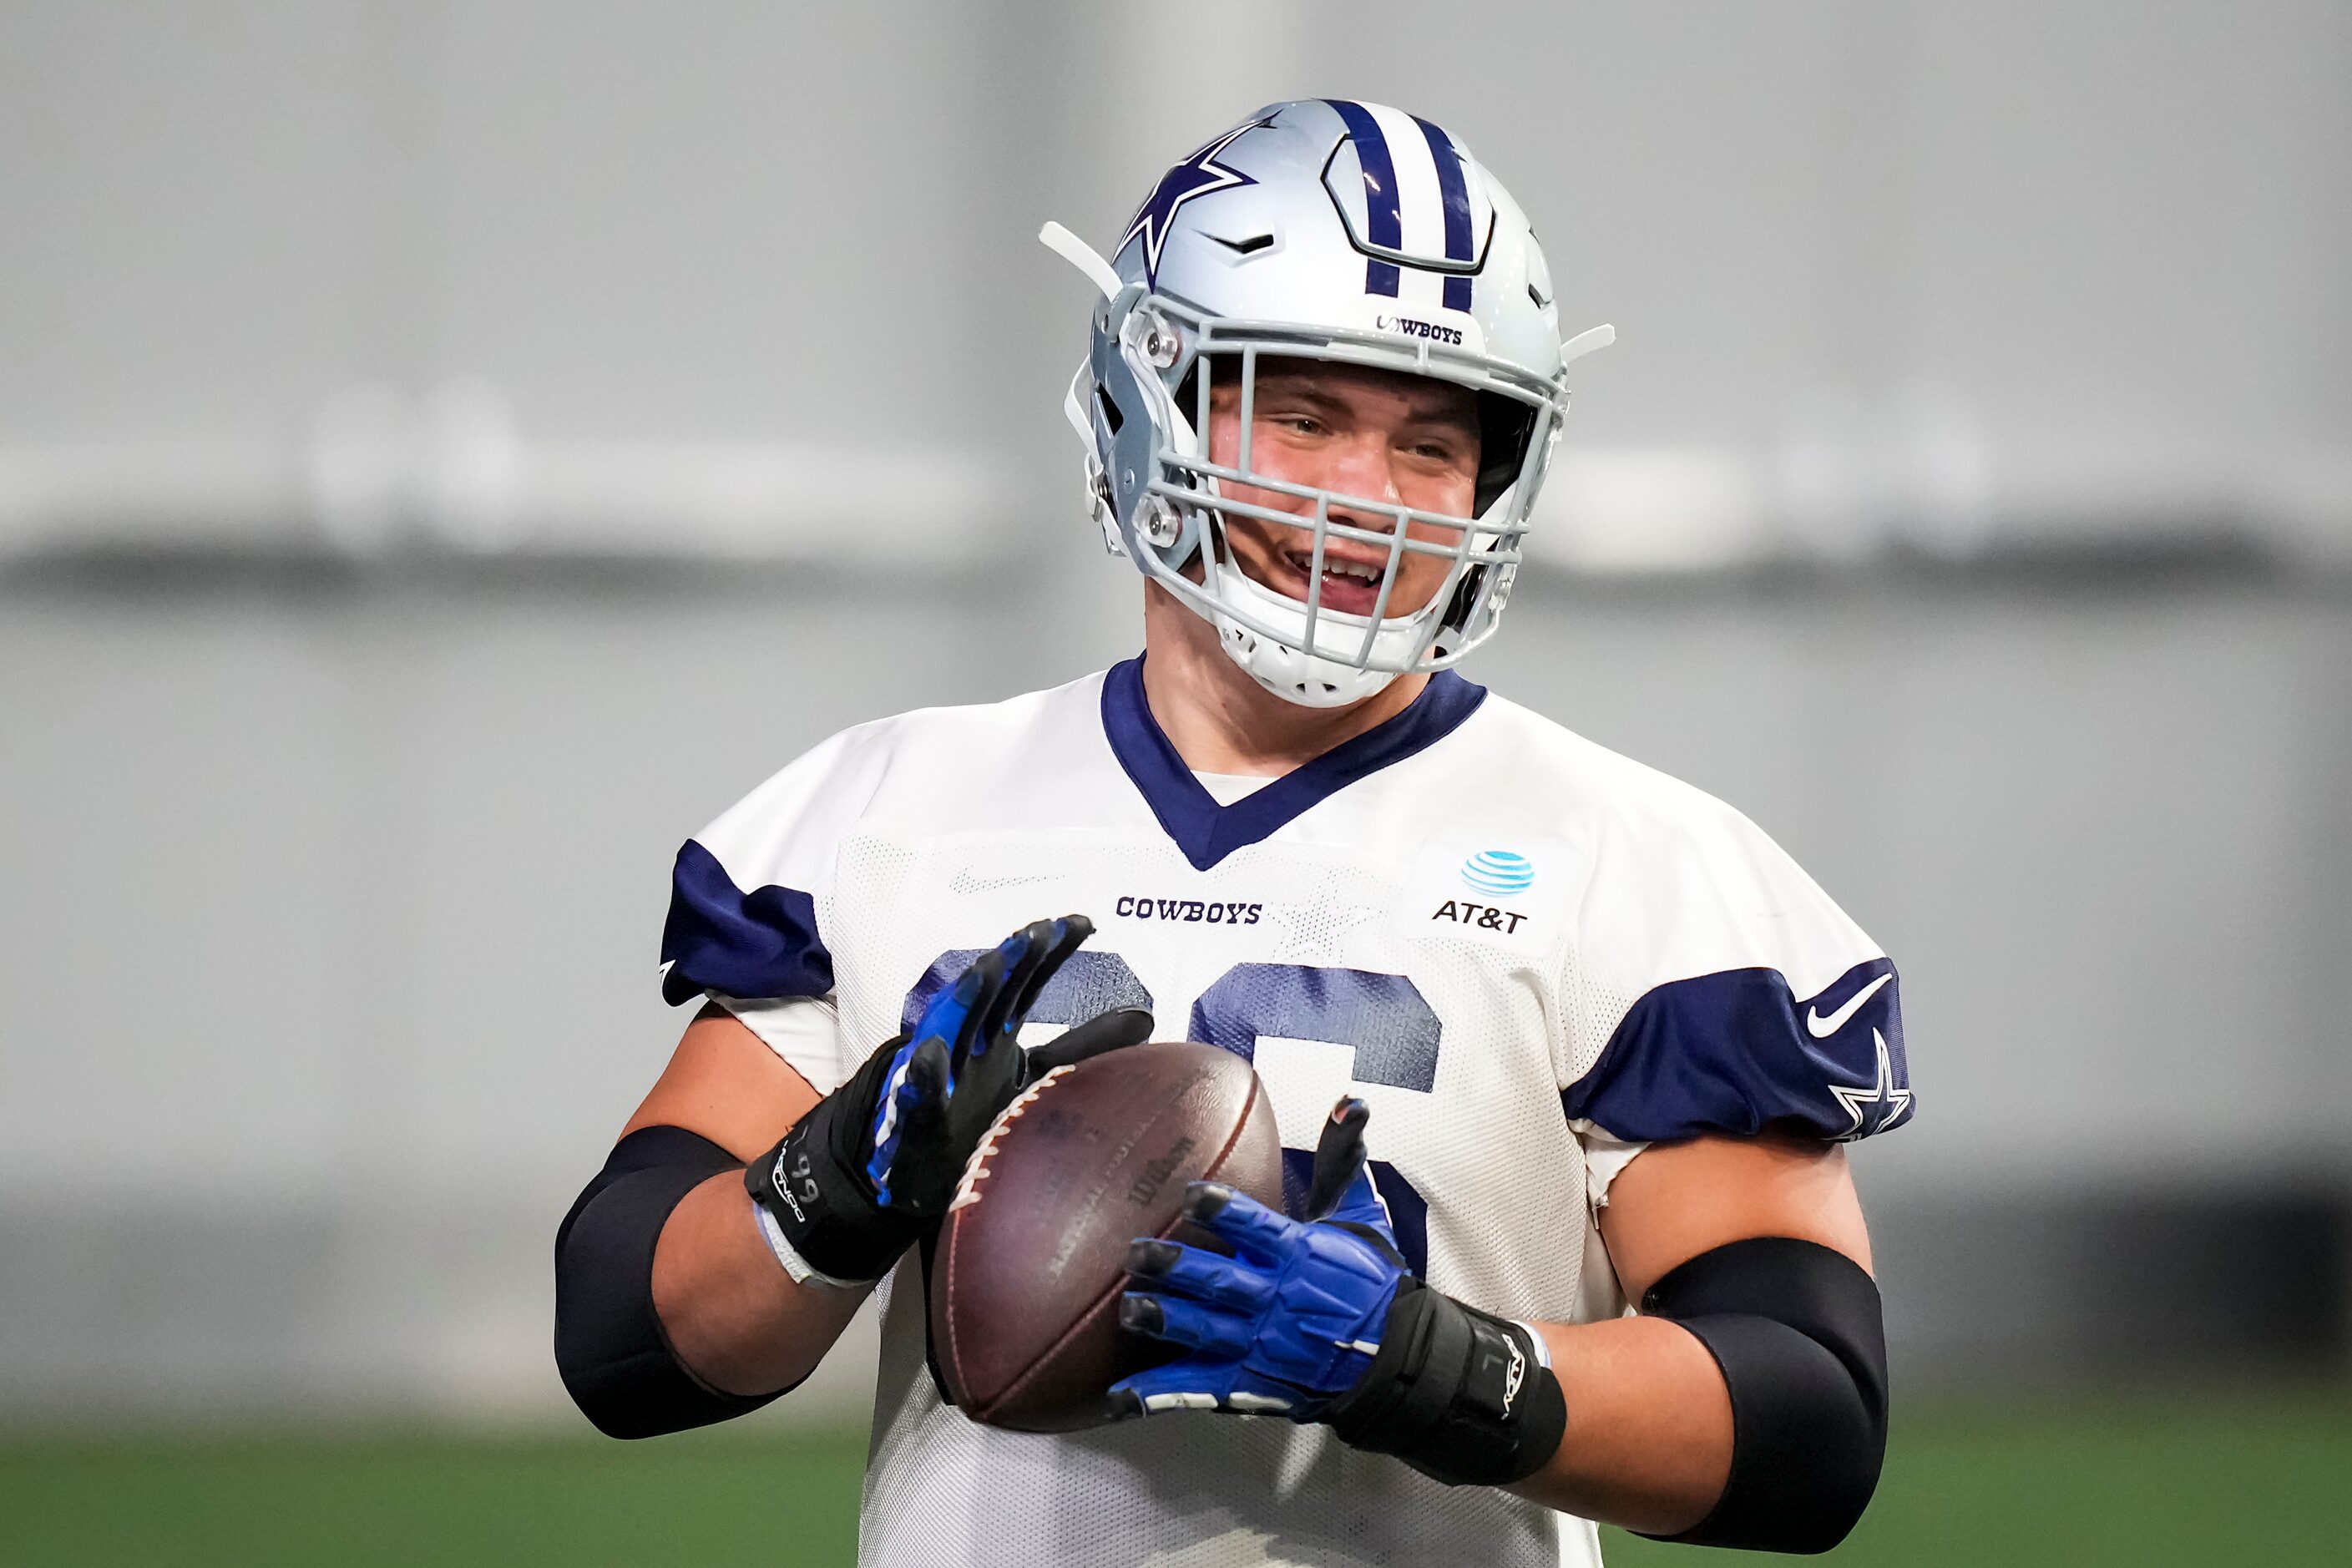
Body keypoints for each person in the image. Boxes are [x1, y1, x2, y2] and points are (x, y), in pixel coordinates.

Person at [554, 99, 1910, 1567]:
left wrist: (1427, 1364)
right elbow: (628, 1335)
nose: (1362, 502)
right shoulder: (884, 811)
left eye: (1431, 441)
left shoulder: (1629, 858)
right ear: (1157, 398)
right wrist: (833, 1177)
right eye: (1303, 413)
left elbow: (1802, 1415)